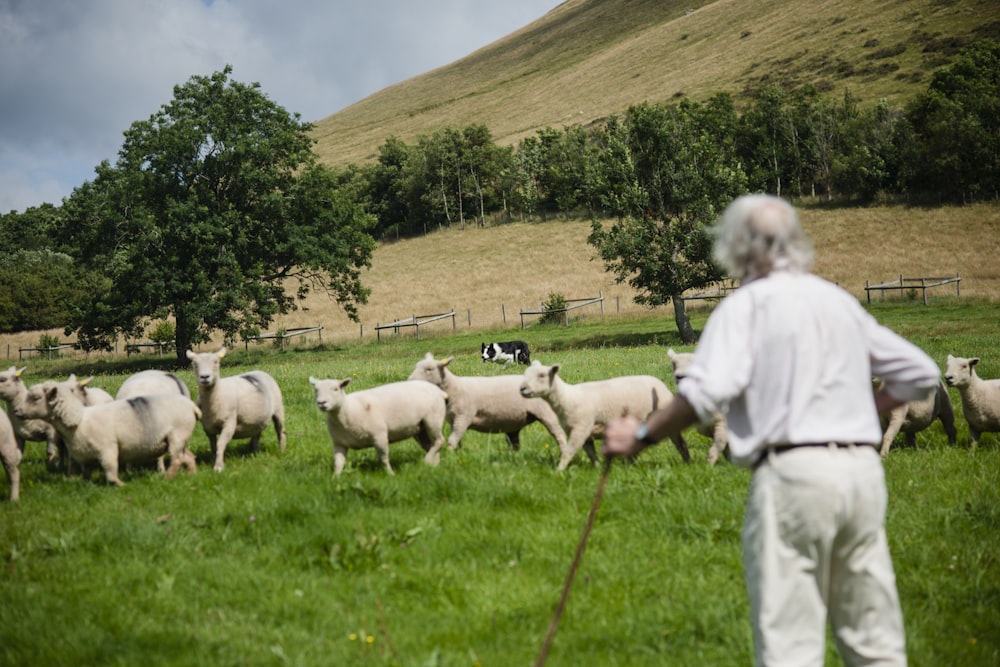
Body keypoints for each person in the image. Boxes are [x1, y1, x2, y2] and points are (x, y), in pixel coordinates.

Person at [602, 193, 940, 667]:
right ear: (795, 243)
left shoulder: (745, 308)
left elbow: (701, 396)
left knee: (790, 647)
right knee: (874, 642)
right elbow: (920, 372)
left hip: (794, 477)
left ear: (735, 248)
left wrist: (639, 437)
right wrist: (867, 407)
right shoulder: (836, 301)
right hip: (862, 475)